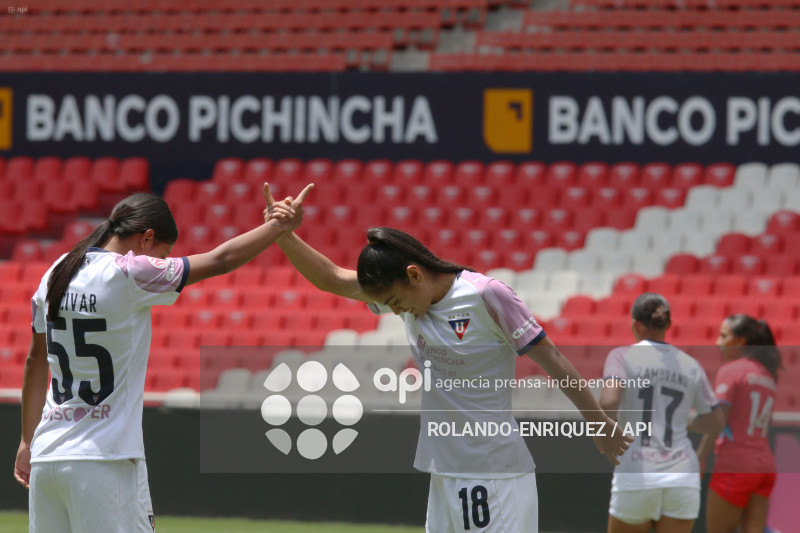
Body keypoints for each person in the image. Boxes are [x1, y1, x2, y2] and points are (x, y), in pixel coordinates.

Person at [266, 187, 632, 533]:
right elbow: (332, 278)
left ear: (414, 274)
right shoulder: (409, 298)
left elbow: (551, 357)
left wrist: (597, 421)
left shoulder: (486, 295)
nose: (396, 312)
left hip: (490, 471)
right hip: (443, 470)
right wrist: (281, 232)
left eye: (395, 302)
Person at [14, 183, 313, 533]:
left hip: (47, 455)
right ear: (147, 238)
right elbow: (221, 259)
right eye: (163, 252)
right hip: (104, 460)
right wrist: (278, 226)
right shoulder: (129, 272)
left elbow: (35, 361)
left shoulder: (56, 272)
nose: (161, 261)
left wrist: (27, 441)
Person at [600, 293, 724, 533]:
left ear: (636, 324)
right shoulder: (690, 364)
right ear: (668, 324)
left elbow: (608, 402)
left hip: (637, 473)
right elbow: (715, 421)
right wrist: (682, 421)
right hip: (682, 476)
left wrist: (604, 432)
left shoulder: (621, 356)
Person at [696, 314, 782, 533]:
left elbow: (717, 420)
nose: (718, 342)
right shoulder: (768, 376)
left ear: (741, 341)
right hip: (764, 467)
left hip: (736, 465)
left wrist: (700, 456)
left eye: (724, 336)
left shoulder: (732, 370)